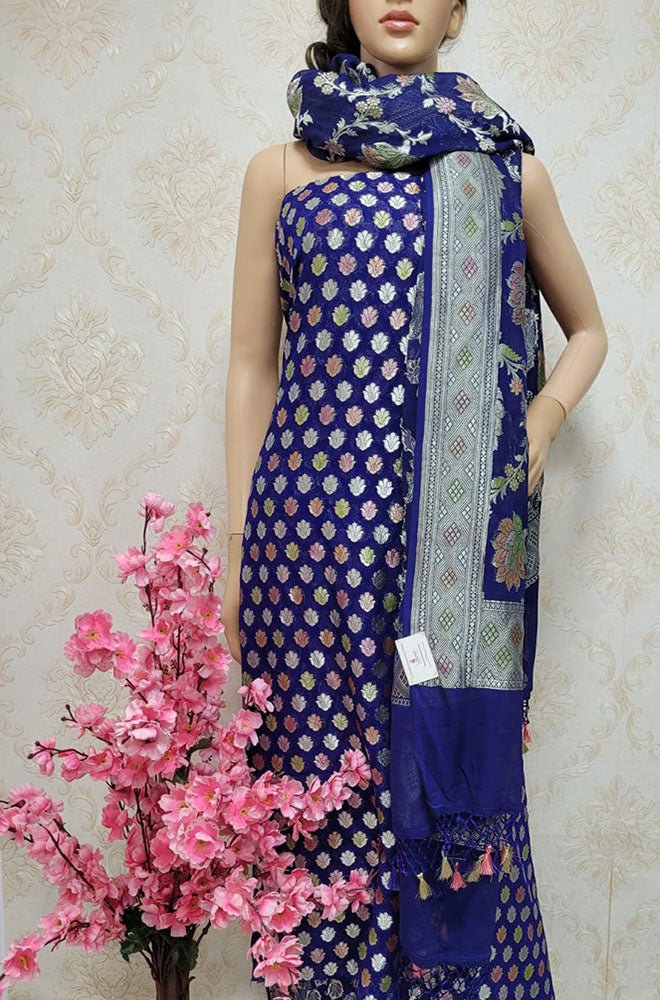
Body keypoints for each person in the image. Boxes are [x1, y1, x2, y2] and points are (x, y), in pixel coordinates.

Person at [222, 2, 608, 997]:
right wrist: (237, 550)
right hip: (307, 545)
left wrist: (540, 420)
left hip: (454, 555)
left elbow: (588, 331)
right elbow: (251, 367)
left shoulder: (508, 172)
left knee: (452, 794)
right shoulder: (283, 170)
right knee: (317, 798)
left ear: (459, 10)